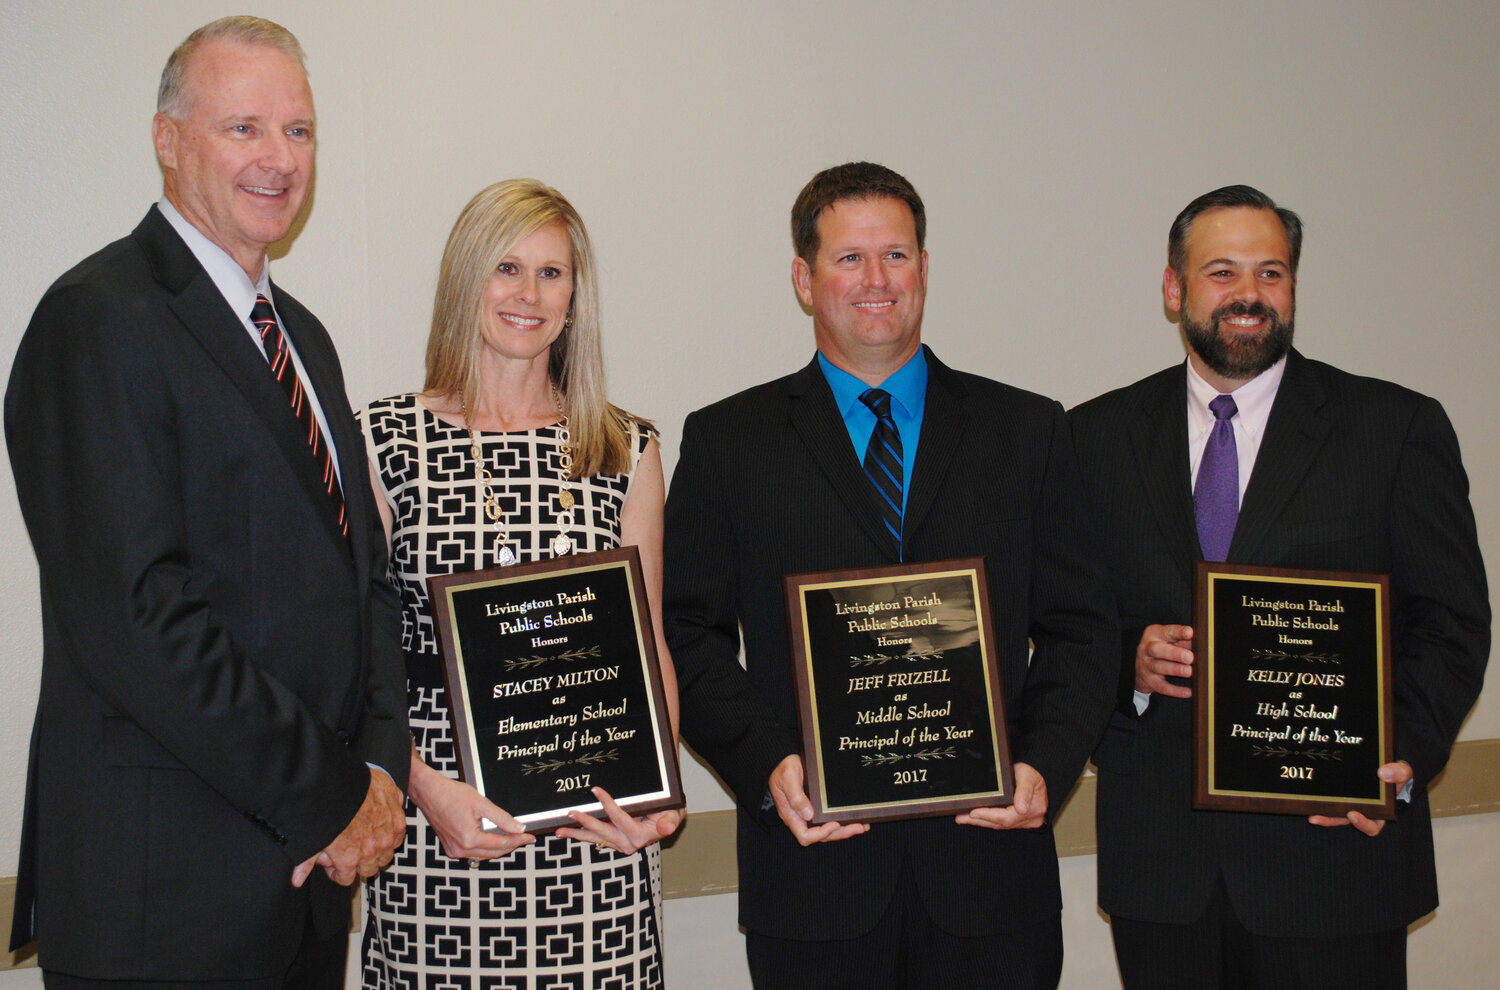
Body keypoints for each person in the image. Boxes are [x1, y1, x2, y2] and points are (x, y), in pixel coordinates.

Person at [5, 15, 411, 987]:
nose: (278, 158)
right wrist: (332, 796)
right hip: (164, 896)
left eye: (299, 131)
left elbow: (365, 583)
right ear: (168, 139)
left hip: (305, 888)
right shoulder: (97, 319)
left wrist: (382, 775)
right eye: (244, 128)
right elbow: (139, 622)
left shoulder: (303, 338)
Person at [662, 161, 1117, 989]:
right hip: (815, 884)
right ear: (804, 279)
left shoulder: (1028, 431)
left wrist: (1044, 768)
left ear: (925, 270)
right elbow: (684, 634)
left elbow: (1083, 628)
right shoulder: (731, 440)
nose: (876, 280)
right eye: (849, 258)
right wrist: (768, 765)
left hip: (991, 876)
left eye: (897, 256)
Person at [1070, 184, 1491, 989]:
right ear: (1174, 289)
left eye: (1272, 273)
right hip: (1165, 868)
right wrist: (1130, 657)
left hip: (1336, 856)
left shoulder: (1393, 429)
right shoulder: (1092, 438)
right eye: (1222, 272)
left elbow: (1452, 622)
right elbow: (1068, 621)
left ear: (1294, 287)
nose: (1249, 296)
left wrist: (1399, 754)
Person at [358, 178, 682, 989]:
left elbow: (650, 646)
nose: (529, 294)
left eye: (553, 273)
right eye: (506, 267)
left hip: (593, 850)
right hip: (441, 833)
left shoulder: (624, 446)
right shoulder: (384, 439)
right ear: (466, 279)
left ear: (576, 296)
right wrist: (420, 788)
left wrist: (660, 794)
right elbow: (348, 658)